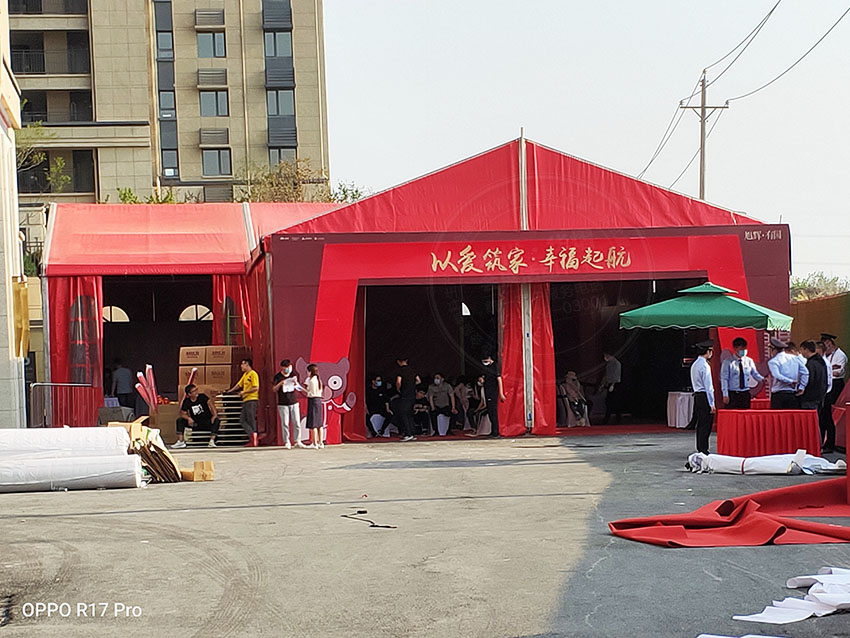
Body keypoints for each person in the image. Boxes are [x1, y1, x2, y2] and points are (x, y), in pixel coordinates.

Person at [720, 337, 764, 409]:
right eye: (741, 349)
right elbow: (724, 379)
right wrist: (725, 394)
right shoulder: (728, 362)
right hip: (733, 393)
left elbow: (754, 373)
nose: (743, 351)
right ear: (735, 348)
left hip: (745, 393)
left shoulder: (749, 361)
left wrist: (762, 379)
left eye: (745, 349)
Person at [172, 384, 221, 448]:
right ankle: (180, 441)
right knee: (180, 420)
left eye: (196, 390)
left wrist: (214, 415)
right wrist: (188, 418)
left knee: (216, 420)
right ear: (189, 394)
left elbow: (211, 405)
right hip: (195, 422)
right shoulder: (187, 401)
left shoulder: (202, 397)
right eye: (194, 391)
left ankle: (212, 441)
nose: (196, 392)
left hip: (206, 421)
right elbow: (182, 413)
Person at [821, 333, 847, 453]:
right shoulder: (827, 356)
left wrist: (828, 370)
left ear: (830, 343)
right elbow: (832, 370)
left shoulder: (840, 355)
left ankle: (830, 443)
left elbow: (837, 373)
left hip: (836, 385)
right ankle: (824, 441)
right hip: (828, 383)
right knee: (824, 415)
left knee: (828, 413)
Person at [690, 340, 716, 455]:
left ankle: (700, 447)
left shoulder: (695, 364)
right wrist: (712, 403)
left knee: (701, 423)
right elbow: (708, 386)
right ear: (708, 352)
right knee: (706, 424)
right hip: (704, 395)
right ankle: (704, 448)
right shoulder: (705, 366)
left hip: (697, 395)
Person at [767, 337, 808, 410]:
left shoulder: (773, 361)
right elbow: (805, 373)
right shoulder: (795, 358)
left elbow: (777, 375)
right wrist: (802, 386)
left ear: (774, 350)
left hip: (778, 395)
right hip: (792, 394)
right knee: (792, 416)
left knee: (778, 417)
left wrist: (791, 381)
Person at [228, 358, 260, 447]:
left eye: (243, 364)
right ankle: (252, 435)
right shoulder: (245, 375)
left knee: (250, 419)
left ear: (247, 364)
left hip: (252, 399)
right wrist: (230, 391)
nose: (241, 366)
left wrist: (244, 392)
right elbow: (239, 385)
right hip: (245, 400)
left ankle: (254, 437)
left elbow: (256, 388)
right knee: (242, 420)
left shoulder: (253, 374)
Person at [273, 359, 304, 449]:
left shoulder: (293, 375)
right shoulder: (277, 376)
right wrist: (280, 383)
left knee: (296, 422)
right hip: (283, 403)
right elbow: (274, 389)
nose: (288, 369)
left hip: (294, 402)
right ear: (282, 368)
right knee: (285, 423)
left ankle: (297, 440)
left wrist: (296, 383)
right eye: (286, 367)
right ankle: (287, 441)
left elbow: (298, 387)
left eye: (289, 367)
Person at [480, 354, 506, 438]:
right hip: (487, 390)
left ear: (489, 358)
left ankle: (496, 432)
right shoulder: (487, 368)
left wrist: (501, 393)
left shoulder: (495, 367)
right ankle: (492, 430)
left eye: (485, 361)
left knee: (493, 412)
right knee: (490, 411)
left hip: (493, 392)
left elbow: (499, 379)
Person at [395, 356, 419, 442]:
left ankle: (408, 433)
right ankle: (413, 433)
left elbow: (398, 382)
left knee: (403, 413)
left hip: (404, 395)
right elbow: (419, 380)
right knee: (409, 414)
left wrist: (399, 389)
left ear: (399, 362)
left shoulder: (401, 371)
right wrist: (412, 385)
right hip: (412, 395)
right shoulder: (412, 370)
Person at [800, 340, 828, 412]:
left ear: (806, 349)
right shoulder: (822, 362)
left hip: (810, 399)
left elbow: (809, 380)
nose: (801, 353)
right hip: (819, 398)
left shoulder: (811, 364)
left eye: (801, 350)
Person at [304, 363, 324, 448]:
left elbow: (310, 392)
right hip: (319, 401)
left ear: (310, 372)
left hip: (312, 400)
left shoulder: (311, 380)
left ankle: (314, 443)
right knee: (319, 423)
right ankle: (321, 442)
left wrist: (303, 389)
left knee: (313, 424)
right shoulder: (319, 380)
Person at [602, 351, 623, 424]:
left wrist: (613, 385)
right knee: (608, 402)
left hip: (615, 384)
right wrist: (604, 384)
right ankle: (607, 419)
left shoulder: (617, 363)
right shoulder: (609, 364)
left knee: (615, 402)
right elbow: (606, 375)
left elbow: (616, 375)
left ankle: (618, 419)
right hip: (609, 383)